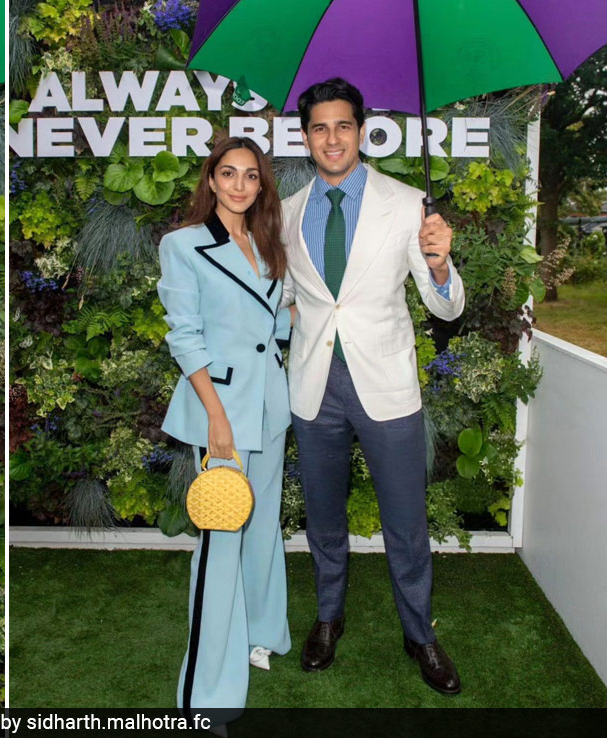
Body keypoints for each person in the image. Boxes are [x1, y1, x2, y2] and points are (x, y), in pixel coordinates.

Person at [280, 78, 465, 694]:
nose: (331, 138)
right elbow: (283, 300)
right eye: (318, 128)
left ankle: (420, 634)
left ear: (362, 131)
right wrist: (290, 318)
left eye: (342, 125)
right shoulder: (285, 213)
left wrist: (439, 265)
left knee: (406, 522)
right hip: (313, 387)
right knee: (324, 519)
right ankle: (328, 618)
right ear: (305, 137)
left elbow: (445, 309)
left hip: (385, 386)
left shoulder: (409, 204)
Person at [159, 137, 294, 714]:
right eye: (228, 173)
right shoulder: (183, 245)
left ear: (261, 186)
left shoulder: (267, 244)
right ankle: (207, 691)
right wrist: (215, 417)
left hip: (271, 407)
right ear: (210, 180)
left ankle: (260, 634)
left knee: (263, 528)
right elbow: (184, 336)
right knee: (220, 543)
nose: (240, 185)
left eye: (251, 176)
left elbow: (274, 321)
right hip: (223, 413)